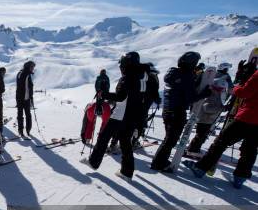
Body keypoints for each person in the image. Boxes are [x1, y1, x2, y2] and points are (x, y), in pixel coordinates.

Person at [80, 52, 155, 181]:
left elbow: (120, 96)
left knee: (104, 137)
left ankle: (94, 162)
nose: (121, 68)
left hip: (121, 114)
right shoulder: (144, 76)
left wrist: (104, 94)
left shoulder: (128, 77)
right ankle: (127, 171)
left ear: (126, 64)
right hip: (134, 115)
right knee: (125, 142)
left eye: (122, 65)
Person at [187, 60, 258, 188]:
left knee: (221, 142)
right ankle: (240, 178)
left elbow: (244, 92)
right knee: (250, 149)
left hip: (247, 116)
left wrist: (236, 87)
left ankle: (201, 168)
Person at [150, 52, 211, 171]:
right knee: (170, 140)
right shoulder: (186, 76)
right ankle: (158, 163)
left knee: (169, 138)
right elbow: (191, 97)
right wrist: (205, 93)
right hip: (177, 112)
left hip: (167, 110)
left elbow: (182, 89)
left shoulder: (174, 73)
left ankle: (161, 161)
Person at [186, 74, 229, 154]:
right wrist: (222, 108)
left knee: (203, 136)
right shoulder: (211, 93)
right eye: (220, 88)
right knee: (200, 136)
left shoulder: (217, 93)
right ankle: (192, 150)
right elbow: (207, 108)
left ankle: (194, 149)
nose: (221, 90)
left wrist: (222, 107)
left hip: (208, 119)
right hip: (204, 119)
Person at [15, 61, 35, 137]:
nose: (33, 69)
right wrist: (30, 97)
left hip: (21, 98)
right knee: (27, 115)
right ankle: (27, 130)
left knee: (21, 114)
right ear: (28, 67)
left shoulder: (21, 73)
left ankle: (22, 130)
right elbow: (29, 87)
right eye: (32, 67)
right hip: (24, 98)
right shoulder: (25, 74)